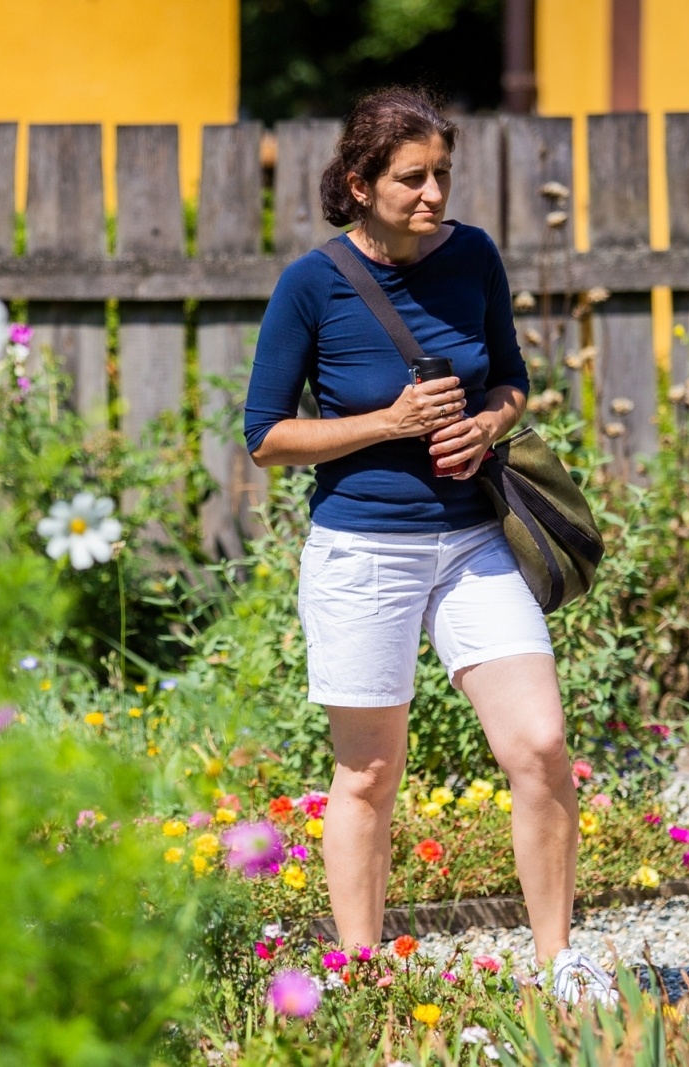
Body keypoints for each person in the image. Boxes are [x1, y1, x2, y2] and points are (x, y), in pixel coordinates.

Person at [243, 86, 617, 1004]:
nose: (433, 194)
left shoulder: (474, 258)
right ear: (361, 183)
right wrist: (388, 421)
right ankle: (365, 973)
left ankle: (559, 962)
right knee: (369, 771)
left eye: (442, 173)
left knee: (540, 745)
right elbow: (266, 435)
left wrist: (487, 427)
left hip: (475, 543)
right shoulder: (312, 284)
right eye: (412, 177)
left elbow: (513, 382)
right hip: (363, 551)